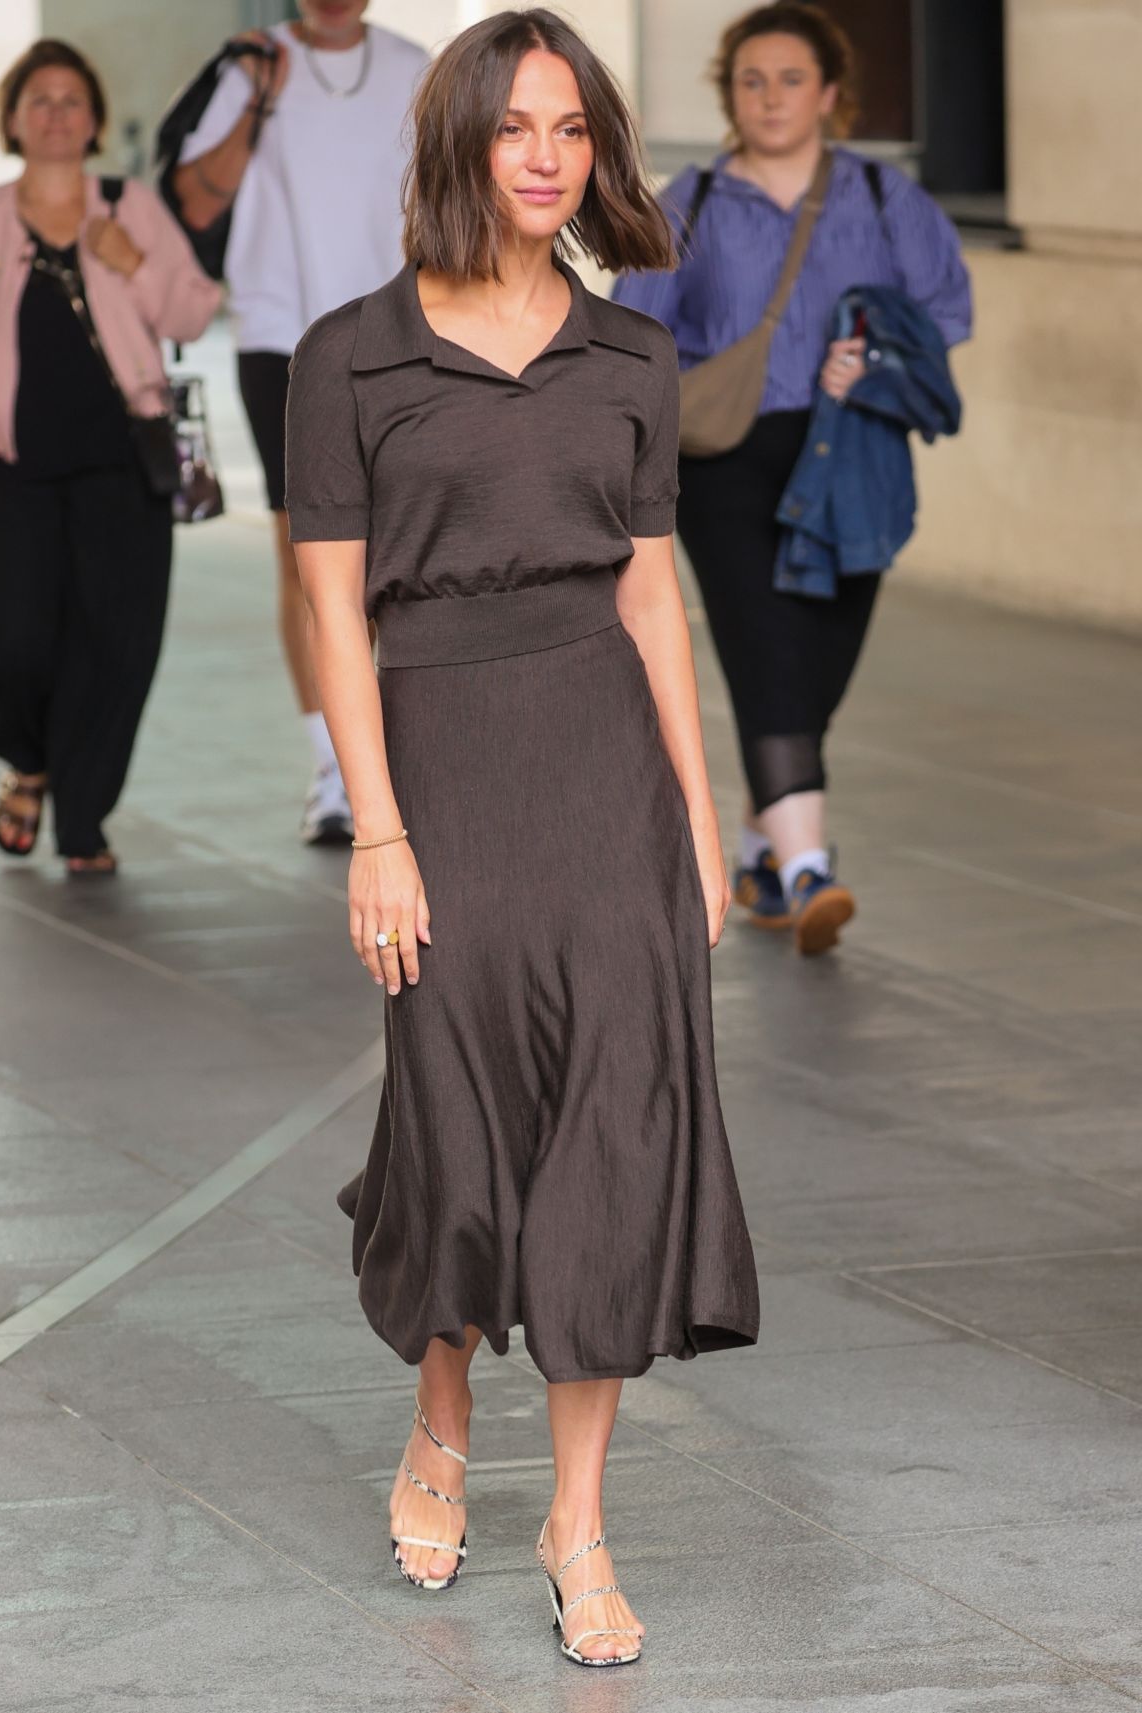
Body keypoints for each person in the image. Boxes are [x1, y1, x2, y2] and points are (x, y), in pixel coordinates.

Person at [285, 7, 759, 1669]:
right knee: (458, 1113)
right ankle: (439, 1406)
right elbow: (334, 607)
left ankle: (579, 1521)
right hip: (444, 762)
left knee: (616, 1123)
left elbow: (649, 594)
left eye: (572, 129)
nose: (549, 156)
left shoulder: (631, 359)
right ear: (460, 148)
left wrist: (702, 828)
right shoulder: (352, 356)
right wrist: (380, 830)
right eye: (517, 128)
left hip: (603, 766)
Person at [614, 2, 971, 954]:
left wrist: (880, 367)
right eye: (751, 80)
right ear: (729, 93)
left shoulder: (887, 200)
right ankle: (812, 868)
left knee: (821, 660)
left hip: (855, 455)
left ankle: (766, 853)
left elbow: (943, 320)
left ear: (831, 94)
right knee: (766, 648)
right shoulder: (687, 202)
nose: (770, 98)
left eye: (791, 79)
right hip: (726, 462)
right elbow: (630, 338)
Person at [0, 40, 220, 875]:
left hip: (122, 471)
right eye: (41, 99)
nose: (58, 112)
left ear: (95, 119)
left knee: (117, 643)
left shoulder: (130, 205)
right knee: (18, 636)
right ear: (16, 119)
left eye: (72, 99)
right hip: (11, 469)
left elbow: (194, 313)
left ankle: (83, 819)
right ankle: (28, 760)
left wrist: (132, 266)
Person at [172, 0, 428, 847]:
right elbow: (196, 203)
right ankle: (333, 771)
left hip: (398, 331)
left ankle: (389, 755)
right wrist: (255, 98)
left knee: (398, 551)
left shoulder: (415, 67)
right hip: (280, 338)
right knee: (309, 558)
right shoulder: (252, 65)